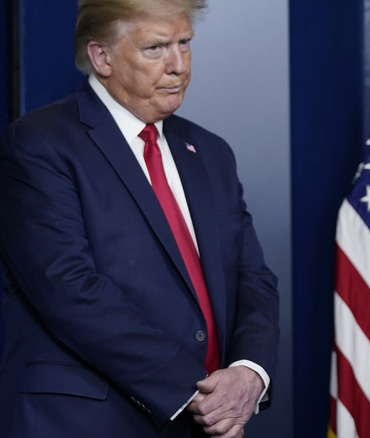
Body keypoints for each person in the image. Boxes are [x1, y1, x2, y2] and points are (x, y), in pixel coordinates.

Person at [0, 1, 280, 437]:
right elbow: (68, 288)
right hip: (89, 422)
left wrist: (248, 374)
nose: (177, 66)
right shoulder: (39, 144)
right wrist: (198, 393)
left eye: (184, 44)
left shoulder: (211, 152)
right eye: (155, 48)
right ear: (102, 57)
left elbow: (253, 280)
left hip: (209, 423)